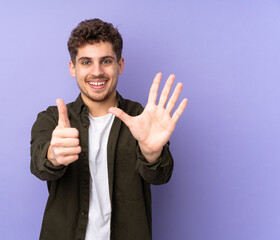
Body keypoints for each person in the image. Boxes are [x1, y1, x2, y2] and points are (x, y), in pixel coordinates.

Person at [30, 18, 188, 240]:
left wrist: (152, 153)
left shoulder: (142, 118)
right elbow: (39, 166)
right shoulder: (52, 119)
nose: (97, 72)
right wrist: (53, 156)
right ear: (72, 68)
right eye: (86, 62)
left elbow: (161, 176)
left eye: (106, 61)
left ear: (120, 65)